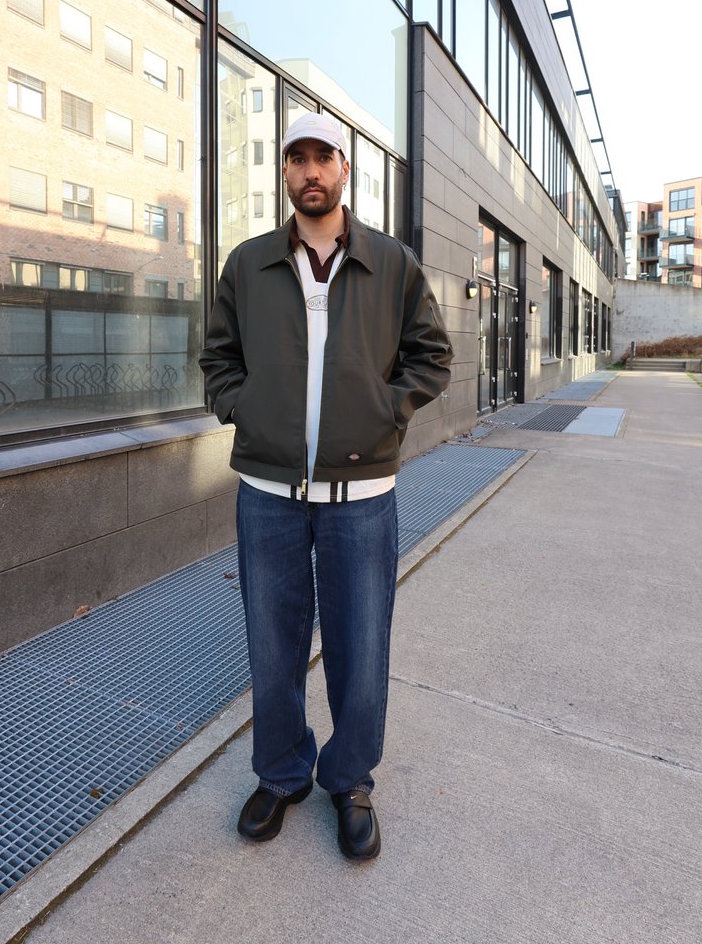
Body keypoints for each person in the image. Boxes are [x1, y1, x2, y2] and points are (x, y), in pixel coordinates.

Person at [199, 112, 453, 860]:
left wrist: (383, 413)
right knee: (273, 645)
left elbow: (431, 357)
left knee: (360, 644)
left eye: (324, 157)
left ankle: (349, 779)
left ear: (345, 169)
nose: (311, 171)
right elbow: (218, 358)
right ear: (284, 172)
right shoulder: (248, 265)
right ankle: (281, 775)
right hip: (268, 494)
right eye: (297, 158)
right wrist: (245, 409)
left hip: (362, 497)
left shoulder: (392, 264)